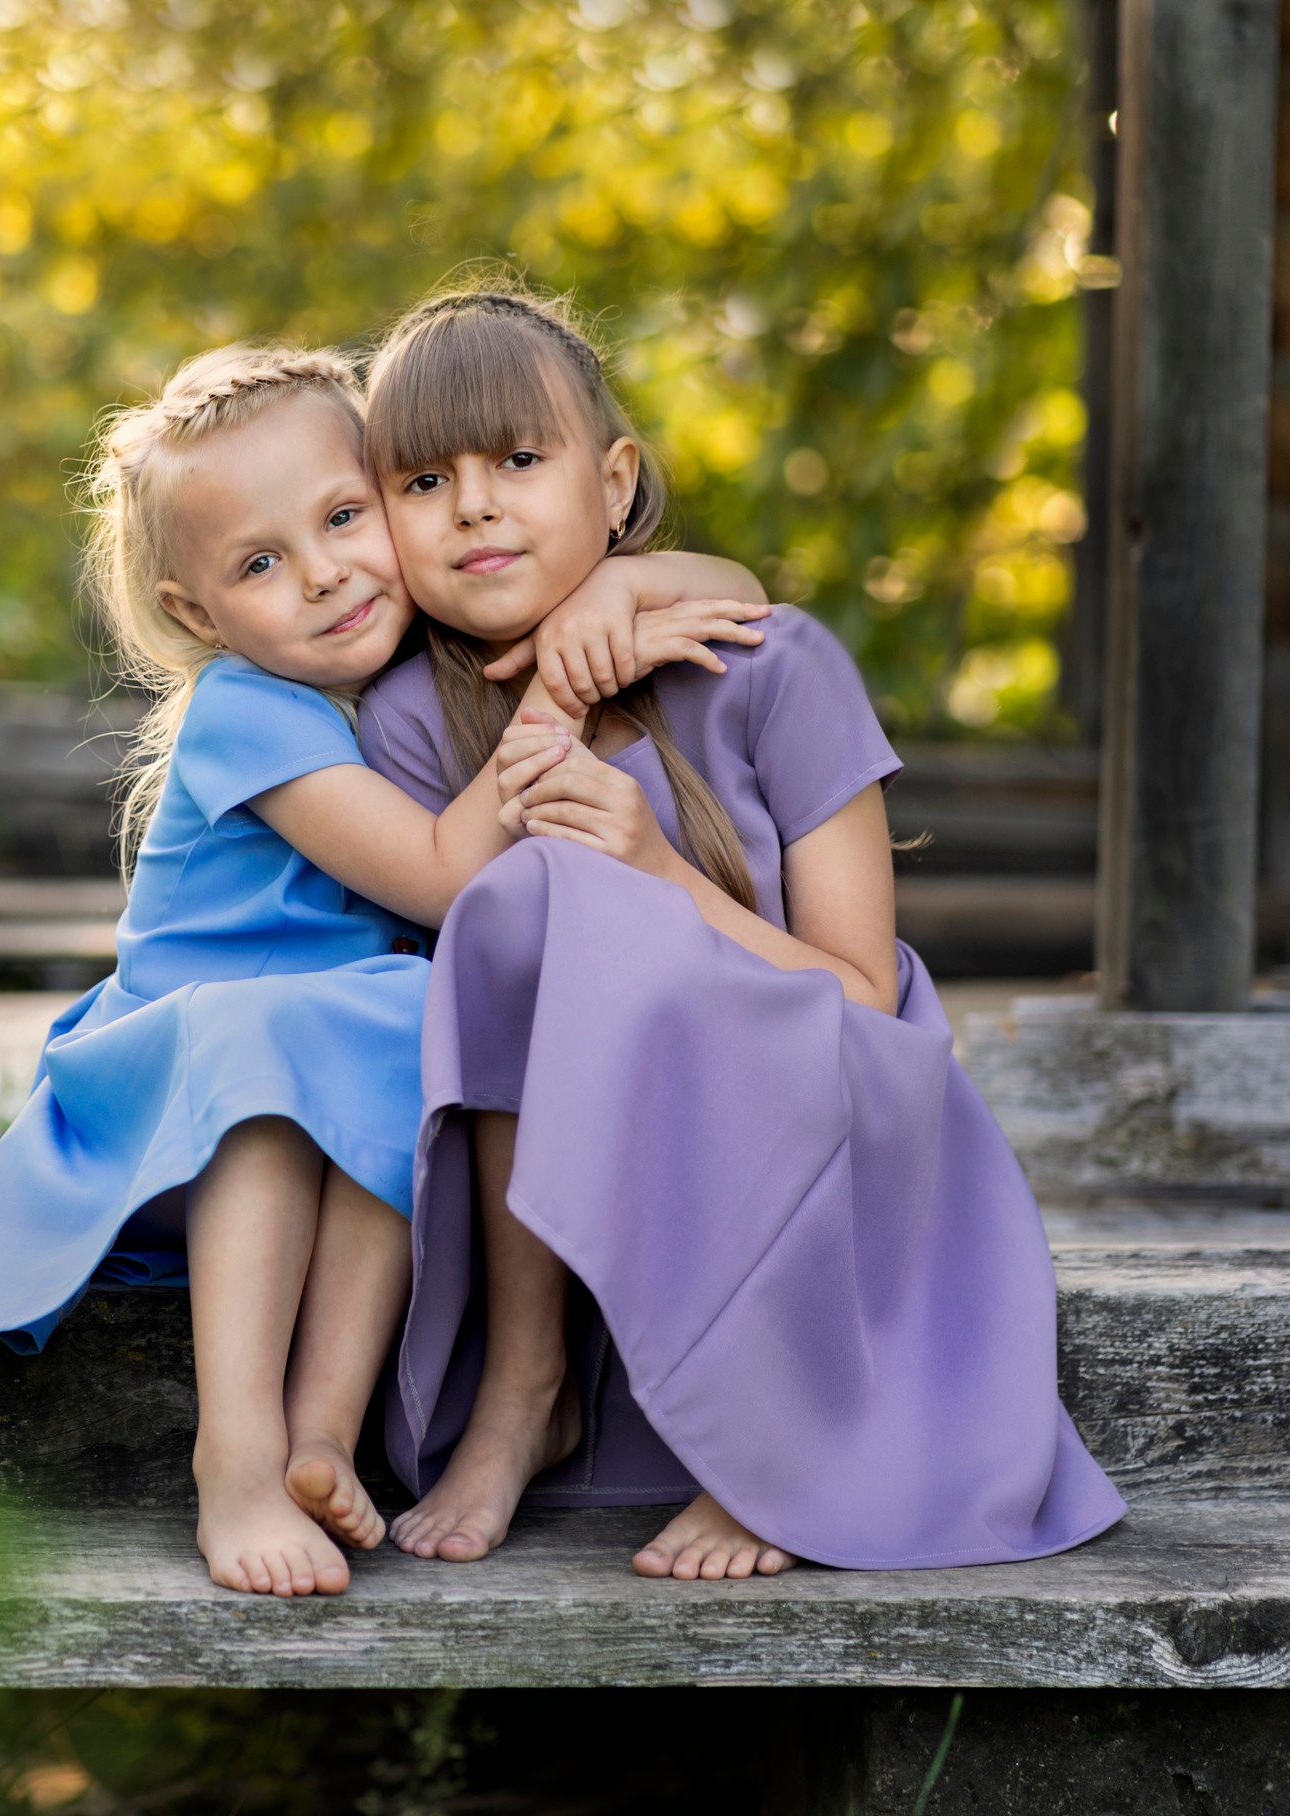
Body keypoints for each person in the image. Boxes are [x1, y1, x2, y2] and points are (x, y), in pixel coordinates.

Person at [0, 342, 761, 1598]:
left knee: (411, 1020)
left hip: (326, 1075)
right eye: (258, 563)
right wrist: (559, 689)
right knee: (292, 1038)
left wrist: (608, 595)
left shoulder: (402, 679)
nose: (324, 575)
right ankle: (233, 1458)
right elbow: (447, 875)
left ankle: (319, 1436)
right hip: (166, 1103)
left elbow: (730, 583)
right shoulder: (248, 708)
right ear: (197, 615)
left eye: (345, 517)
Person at [356, 283, 1127, 1578]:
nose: (475, 503)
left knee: (581, 899)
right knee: (520, 907)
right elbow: (464, 982)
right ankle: (527, 1385)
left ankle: (772, 1440)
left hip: (824, 1101)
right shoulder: (412, 725)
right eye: (424, 480)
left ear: (615, 483)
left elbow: (862, 1000)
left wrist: (659, 868)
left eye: (520, 462)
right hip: (580, 1142)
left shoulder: (773, 666)